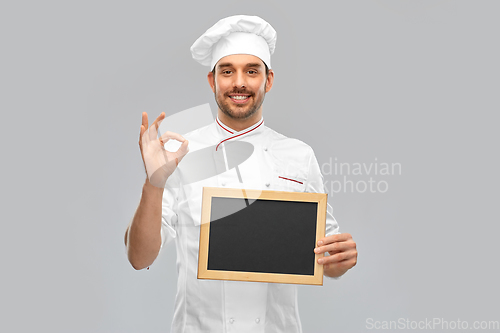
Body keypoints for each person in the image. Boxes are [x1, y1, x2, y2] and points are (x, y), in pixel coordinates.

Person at [124, 15, 357, 333]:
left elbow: (325, 256)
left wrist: (339, 261)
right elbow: (139, 258)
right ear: (212, 81)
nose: (239, 83)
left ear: (269, 80)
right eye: (227, 71)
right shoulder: (179, 153)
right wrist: (154, 182)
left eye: (252, 71)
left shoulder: (299, 155)